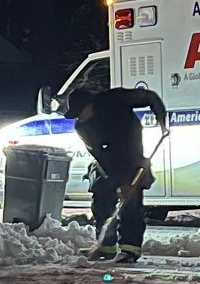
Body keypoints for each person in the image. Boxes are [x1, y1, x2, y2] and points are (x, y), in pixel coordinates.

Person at [67, 78, 169, 265]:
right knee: (101, 194)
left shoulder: (115, 98)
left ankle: (130, 249)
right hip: (108, 159)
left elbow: (150, 97)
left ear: (91, 104)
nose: (79, 117)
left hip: (132, 152)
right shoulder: (82, 127)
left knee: (131, 202)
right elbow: (102, 158)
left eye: (80, 112)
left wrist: (162, 120)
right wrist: (119, 183)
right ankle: (106, 245)